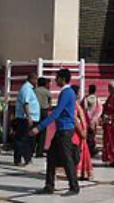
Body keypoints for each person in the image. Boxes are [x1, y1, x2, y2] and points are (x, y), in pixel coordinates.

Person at [29, 68, 80, 196]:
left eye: (57, 78)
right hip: (62, 129)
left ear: (63, 79)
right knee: (51, 157)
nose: (56, 80)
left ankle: (74, 186)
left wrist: (39, 127)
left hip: (64, 129)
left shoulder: (66, 93)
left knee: (67, 158)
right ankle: (49, 186)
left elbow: (56, 113)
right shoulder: (68, 92)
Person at [14, 72, 39, 165]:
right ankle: (18, 159)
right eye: (35, 79)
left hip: (30, 117)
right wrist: (29, 117)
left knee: (28, 139)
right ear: (32, 79)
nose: (36, 81)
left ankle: (27, 157)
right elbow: (25, 103)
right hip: (24, 118)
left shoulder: (30, 89)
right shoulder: (26, 89)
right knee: (21, 139)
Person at [71, 86, 93, 180]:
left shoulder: (76, 103)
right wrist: (81, 131)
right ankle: (75, 173)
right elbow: (75, 119)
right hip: (76, 133)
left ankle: (82, 173)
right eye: (79, 92)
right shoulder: (73, 104)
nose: (80, 94)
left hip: (81, 133)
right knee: (76, 152)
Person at [34, 77, 52, 158]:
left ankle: (32, 149)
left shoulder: (34, 91)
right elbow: (50, 101)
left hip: (35, 111)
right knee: (42, 132)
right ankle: (39, 151)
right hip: (44, 111)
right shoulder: (46, 91)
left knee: (34, 129)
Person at [83, 84, 102, 157]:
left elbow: (84, 109)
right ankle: (92, 149)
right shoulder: (97, 99)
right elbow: (100, 109)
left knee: (88, 135)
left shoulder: (85, 99)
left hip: (86, 119)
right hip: (94, 120)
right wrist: (95, 118)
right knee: (92, 135)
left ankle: (88, 149)